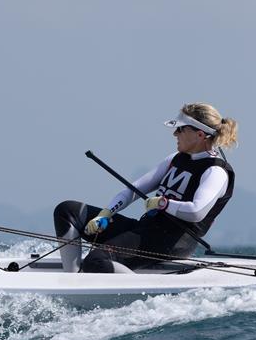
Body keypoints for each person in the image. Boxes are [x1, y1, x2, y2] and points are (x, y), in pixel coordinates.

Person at [53, 103, 238, 273]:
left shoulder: (216, 171)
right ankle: (72, 276)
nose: (175, 134)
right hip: (144, 230)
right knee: (67, 210)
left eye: (180, 129)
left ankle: (134, 289)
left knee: (95, 261)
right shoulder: (175, 158)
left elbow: (197, 212)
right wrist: (106, 213)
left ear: (200, 134)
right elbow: (132, 190)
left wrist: (163, 203)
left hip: (169, 244)